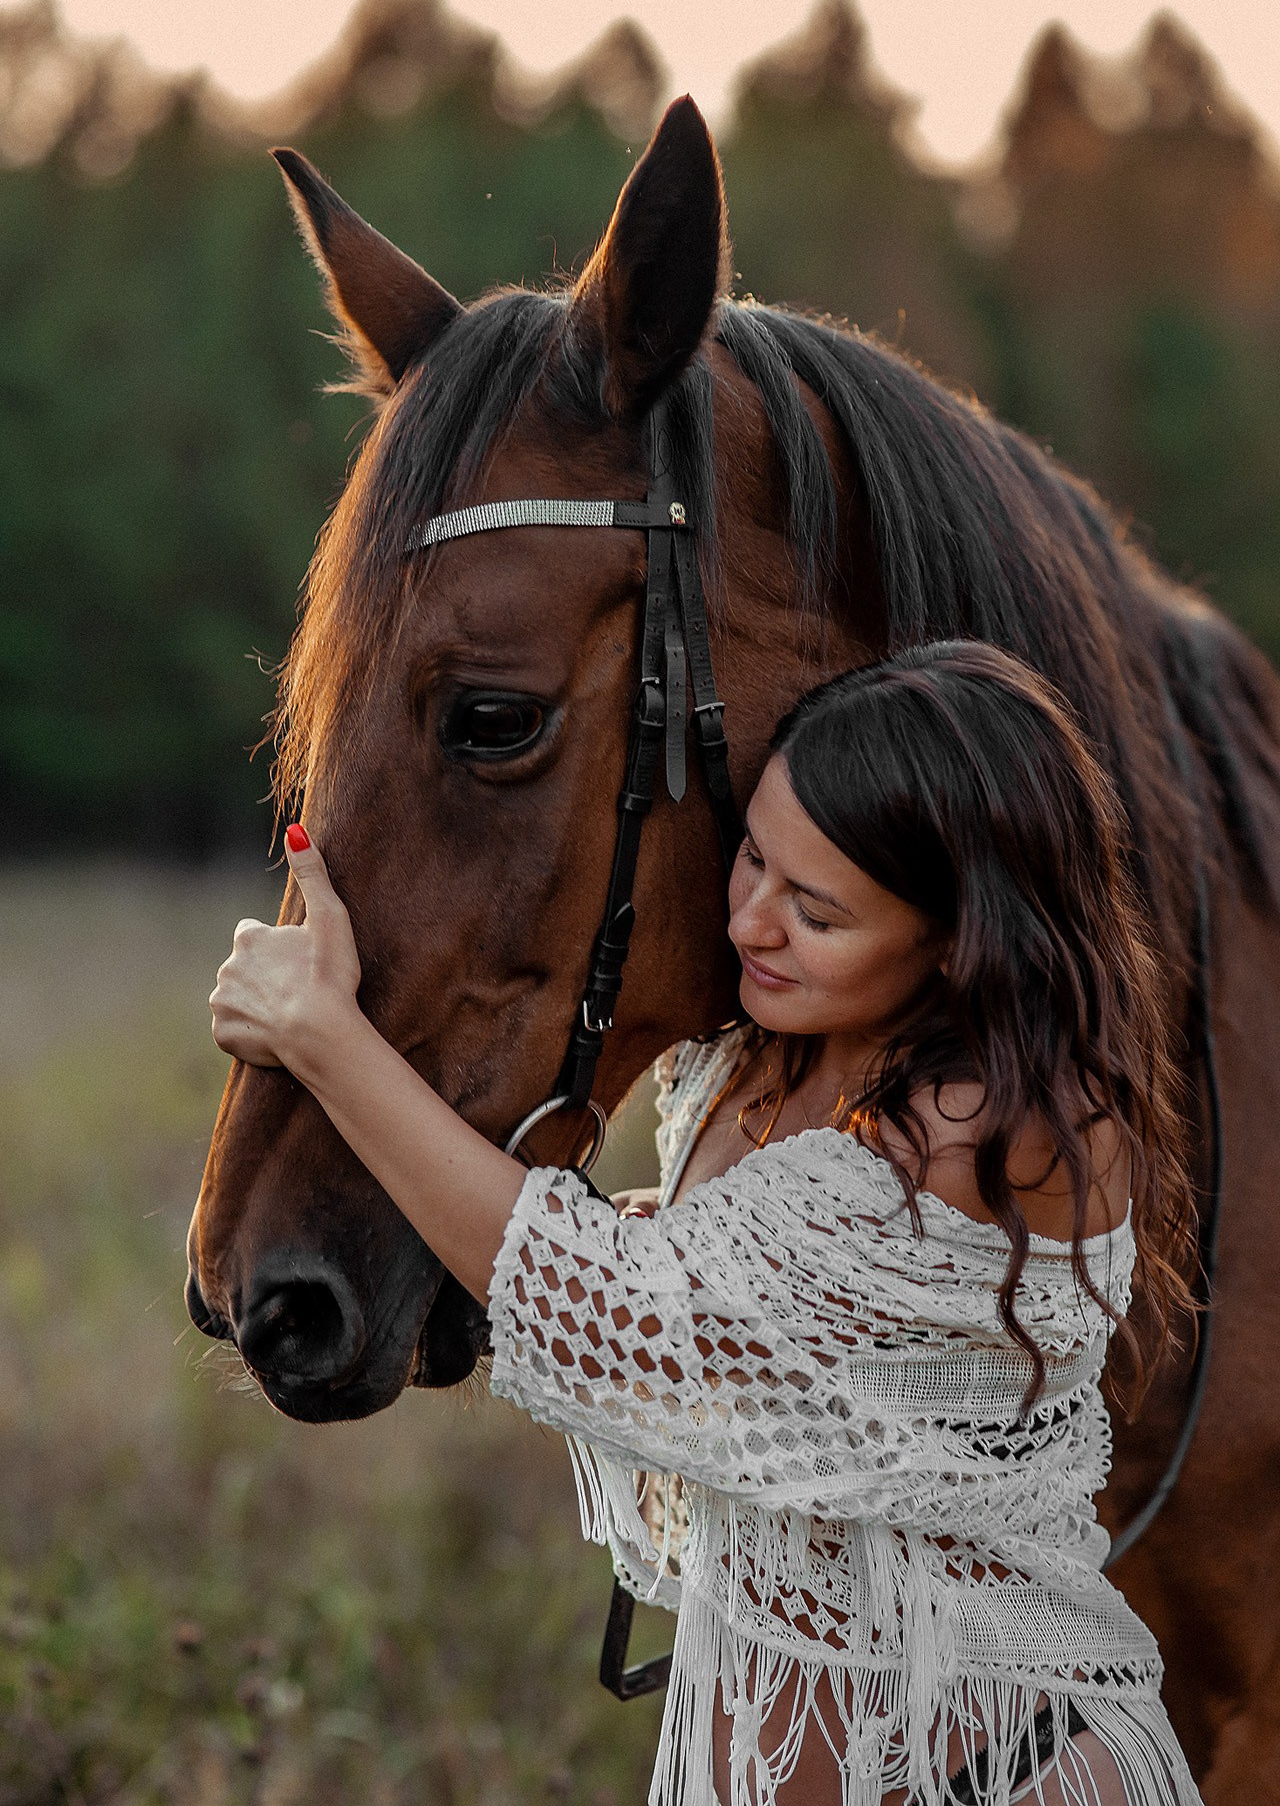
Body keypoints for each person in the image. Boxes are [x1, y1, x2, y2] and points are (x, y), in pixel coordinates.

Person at [210, 638, 1203, 1806]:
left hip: (1011, 1771)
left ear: (958, 942)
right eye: (752, 862)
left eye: (817, 912)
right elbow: (719, 1293)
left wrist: (331, 1043)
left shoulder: (982, 1124)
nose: (750, 924)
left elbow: (631, 1319)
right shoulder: (765, 1055)